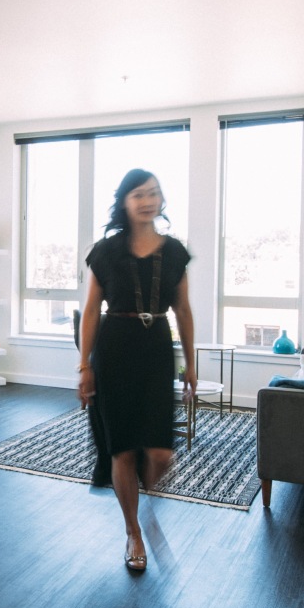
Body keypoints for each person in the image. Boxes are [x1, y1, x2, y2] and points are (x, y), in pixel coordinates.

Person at [77, 169, 196, 573]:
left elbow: (183, 310)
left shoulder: (175, 252)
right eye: (139, 194)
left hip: (156, 348)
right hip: (114, 351)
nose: (148, 200)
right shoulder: (106, 251)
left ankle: (145, 491)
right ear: (125, 201)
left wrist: (191, 363)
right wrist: (83, 367)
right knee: (122, 448)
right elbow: (92, 310)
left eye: (154, 193)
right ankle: (133, 531)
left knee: (161, 452)